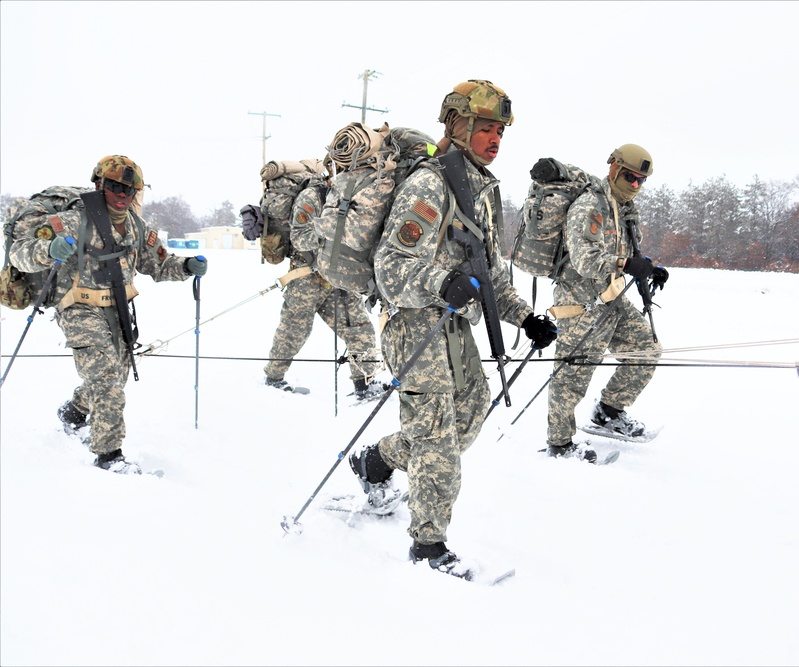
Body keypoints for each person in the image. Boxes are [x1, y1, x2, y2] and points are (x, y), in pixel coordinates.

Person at [348, 79, 557, 578]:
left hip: (455, 329)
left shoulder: (480, 188)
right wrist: (443, 282)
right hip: (416, 326)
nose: (495, 139)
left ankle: (376, 462)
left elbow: (489, 275)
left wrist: (524, 316)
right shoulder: (429, 184)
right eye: (485, 128)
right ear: (458, 125)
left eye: (500, 131)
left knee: (464, 419)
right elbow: (391, 268)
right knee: (439, 438)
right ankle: (429, 547)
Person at [8, 155, 208, 474]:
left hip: (117, 307)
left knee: (116, 374)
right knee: (105, 378)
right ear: (99, 184)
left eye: (130, 190)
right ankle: (109, 456)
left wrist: (185, 267)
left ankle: (74, 412)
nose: (122, 195)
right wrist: (47, 250)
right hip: (77, 305)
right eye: (114, 186)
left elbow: (156, 263)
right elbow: (20, 253)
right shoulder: (74, 219)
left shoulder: (135, 226)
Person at [544, 144, 667, 461]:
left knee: (646, 349)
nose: (635, 186)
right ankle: (559, 444)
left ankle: (608, 412)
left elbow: (624, 251)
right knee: (572, 376)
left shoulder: (622, 209)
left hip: (611, 297)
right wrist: (626, 266)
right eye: (630, 177)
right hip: (581, 302)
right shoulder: (591, 206)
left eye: (642, 180)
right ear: (613, 167)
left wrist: (648, 267)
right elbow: (585, 260)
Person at [258, 163, 383, 400]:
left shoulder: (350, 196)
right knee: (294, 331)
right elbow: (300, 238)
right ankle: (274, 378)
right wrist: (333, 237)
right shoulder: (312, 196)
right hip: (306, 277)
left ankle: (365, 384)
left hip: (337, 278)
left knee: (359, 329)